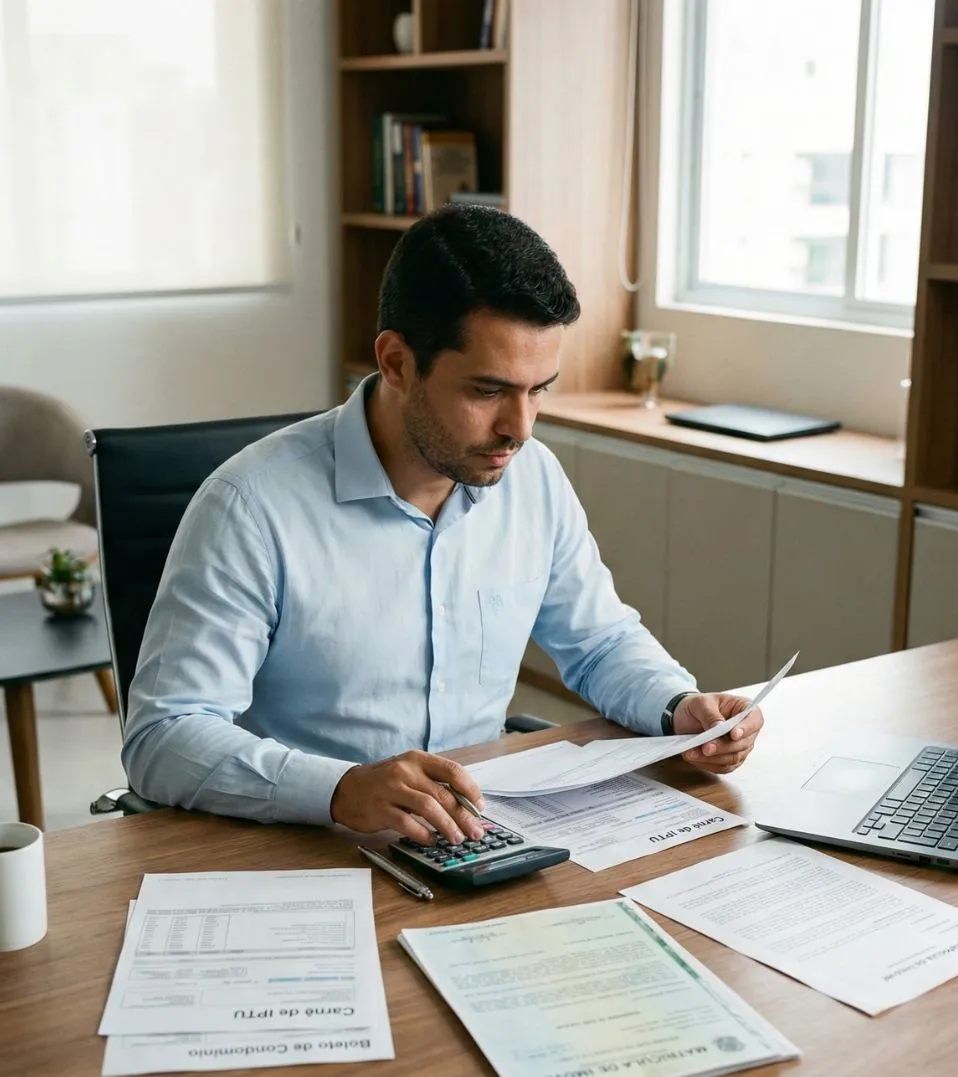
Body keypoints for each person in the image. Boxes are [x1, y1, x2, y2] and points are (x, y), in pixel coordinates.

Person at [124, 205, 764, 848]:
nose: (521, 428)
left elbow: (598, 641)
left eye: (539, 389)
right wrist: (341, 789)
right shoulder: (251, 506)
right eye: (488, 392)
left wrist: (679, 706)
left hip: (478, 837)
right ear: (398, 362)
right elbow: (165, 736)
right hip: (308, 845)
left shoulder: (532, 478)